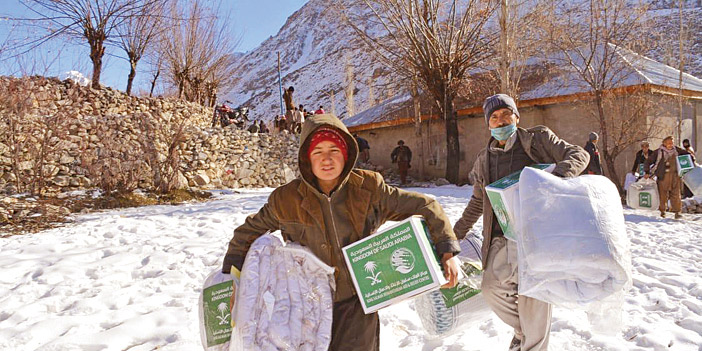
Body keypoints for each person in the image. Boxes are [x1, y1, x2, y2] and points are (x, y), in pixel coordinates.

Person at [221, 113, 461, 351]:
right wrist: (230, 281)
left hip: (357, 303)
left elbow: (426, 206)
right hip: (306, 308)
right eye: (318, 152)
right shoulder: (286, 199)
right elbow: (247, 234)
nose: (327, 159)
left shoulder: (368, 188)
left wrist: (446, 251)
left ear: (346, 154)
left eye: (334, 150)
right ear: (307, 159)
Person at [453, 94, 589, 351]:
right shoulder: (484, 159)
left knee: (534, 294)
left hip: (538, 234)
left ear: (517, 117)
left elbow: (578, 154)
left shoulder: (537, 140)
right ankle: (522, 331)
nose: (501, 120)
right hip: (502, 235)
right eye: (494, 117)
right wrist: (454, 234)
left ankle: (532, 345)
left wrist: (554, 180)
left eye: (506, 114)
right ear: (488, 124)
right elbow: (477, 203)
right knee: (491, 289)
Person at [644, 136, 694, 218]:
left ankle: (677, 212)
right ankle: (663, 211)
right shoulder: (658, 152)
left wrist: (692, 159)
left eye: (672, 143)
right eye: (669, 143)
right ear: (664, 143)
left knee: (676, 194)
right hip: (663, 176)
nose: (671, 145)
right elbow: (648, 161)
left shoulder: (676, 150)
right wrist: (646, 172)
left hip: (675, 176)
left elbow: (688, 155)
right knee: (663, 195)